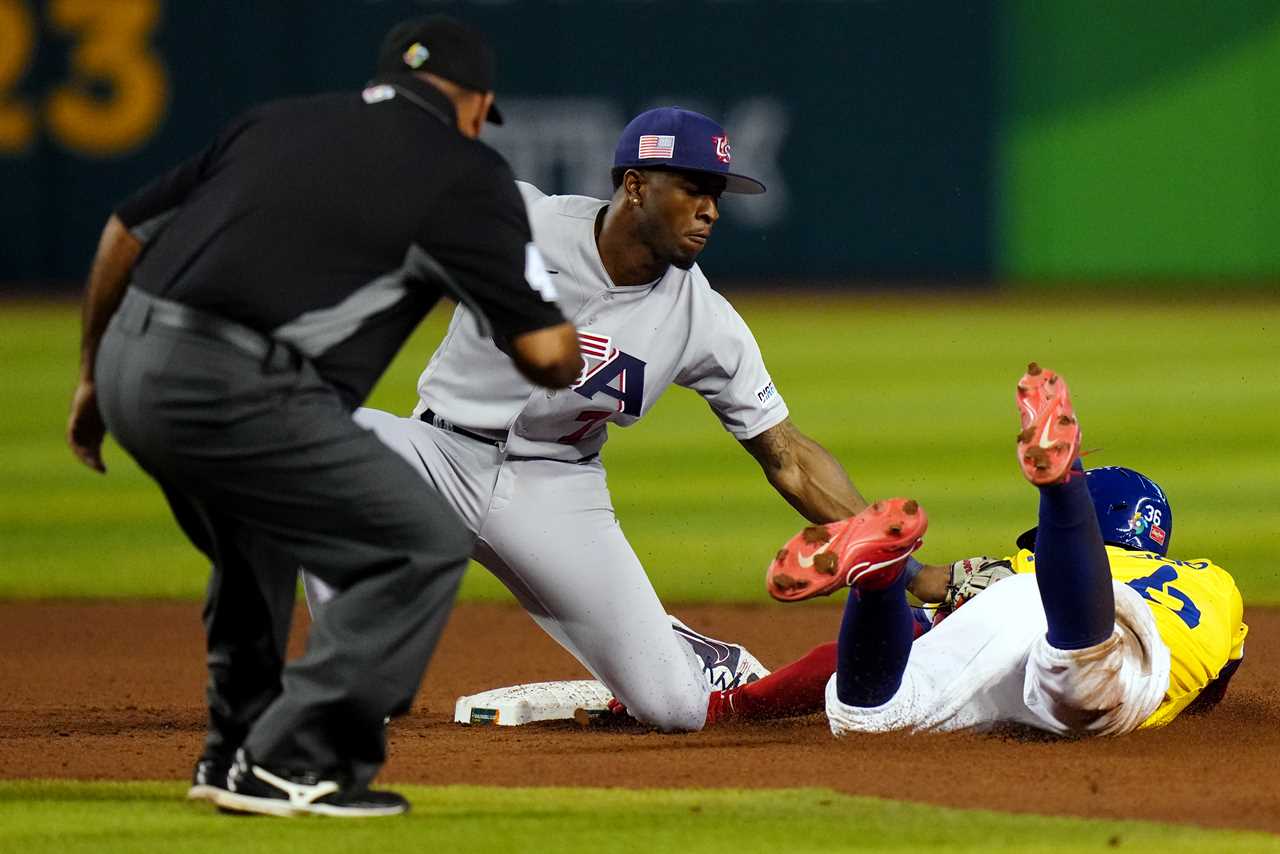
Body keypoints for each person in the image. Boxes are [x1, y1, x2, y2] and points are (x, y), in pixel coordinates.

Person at [65, 16, 581, 818]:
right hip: (230, 386)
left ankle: (235, 748)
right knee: (419, 544)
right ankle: (295, 758)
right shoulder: (464, 172)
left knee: (256, 540)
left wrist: (95, 379)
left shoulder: (276, 121)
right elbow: (548, 356)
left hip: (133, 358)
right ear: (476, 103)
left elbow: (125, 230)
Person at [304, 106, 878, 732]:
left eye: (715, 194)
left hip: (555, 493)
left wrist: (898, 563)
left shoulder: (703, 320)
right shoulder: (518, 221)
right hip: (438, 455)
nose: (710, 209)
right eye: (691, 189)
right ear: (635, 186)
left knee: (677, 710)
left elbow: (788, 457)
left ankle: (698, 654)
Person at [702, 363, 1247, 735]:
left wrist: (735, 706)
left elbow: (911, 615)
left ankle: (880, 580)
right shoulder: (1213, 582)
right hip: (1105, 630)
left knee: (870, 714)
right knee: (1084, 675)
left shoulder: (1021, 565)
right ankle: (1062, 485)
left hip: (1016, 600)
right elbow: (1213, 690)